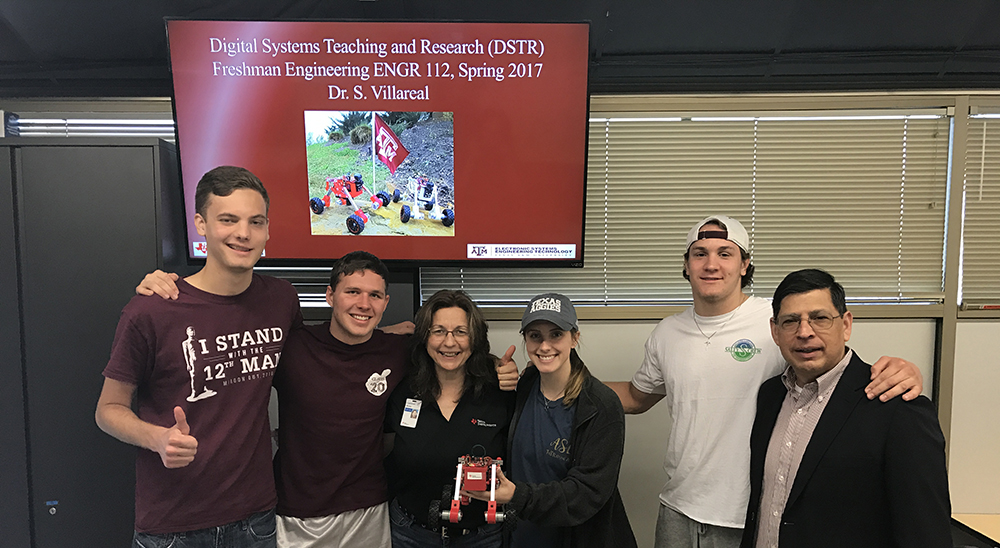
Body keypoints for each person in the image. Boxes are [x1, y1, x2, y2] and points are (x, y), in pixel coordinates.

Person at [136, 254, 520, 548]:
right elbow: (226, 328)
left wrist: (493, 367)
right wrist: (174, 289)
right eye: (352, 292)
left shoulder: (398, 351)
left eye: (374, 295)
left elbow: (450, 351)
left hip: (370, 511)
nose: (363, 304)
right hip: (295, 514)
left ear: (386, 302)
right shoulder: (290, 346)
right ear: (329, 296)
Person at [605, 215, 925, 548]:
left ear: (744, 264)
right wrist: (564, 382)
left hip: (749, 515)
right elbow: (634, 397)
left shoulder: (776, 321)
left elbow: (834, 370)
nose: (711, 264)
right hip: (678, 508)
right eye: (699, 253)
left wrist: (902, 370)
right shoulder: (666, 333)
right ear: (686, 265)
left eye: (725, 253)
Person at [96, 166, 302, 547]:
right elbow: (108, 409)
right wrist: (157, 438)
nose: (243, 233)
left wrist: (387, 333)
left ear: (268, 229)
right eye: (228, 219)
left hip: (254, 519)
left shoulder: (281, 299)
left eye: (256, 222)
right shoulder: (152, 310)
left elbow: (317, 353)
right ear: (201, 224)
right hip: (173, 525)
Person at [741, 269, 950, 548]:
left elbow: (926, 531)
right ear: (775, 331)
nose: (805, 332)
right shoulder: (770, 395)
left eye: (820, 318)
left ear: (846, 325)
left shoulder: (896, 407)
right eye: (791, 321)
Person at [466, 292, 638, 548]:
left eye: (556, 334)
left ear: (574, 338)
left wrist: (516, 496)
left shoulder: (601, 406)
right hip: (521, 535)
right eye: (535, 335)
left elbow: (586, 494)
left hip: (574, 538)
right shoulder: (526, 385)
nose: (544, 346)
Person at [384, 289, 515, 547]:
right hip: (410, 533)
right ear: (424, 337)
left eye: (460, 332)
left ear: (475, 339)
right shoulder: (401, 389)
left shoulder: (500, 392)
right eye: (438, 331)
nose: (449, 342)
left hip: (482, 537)